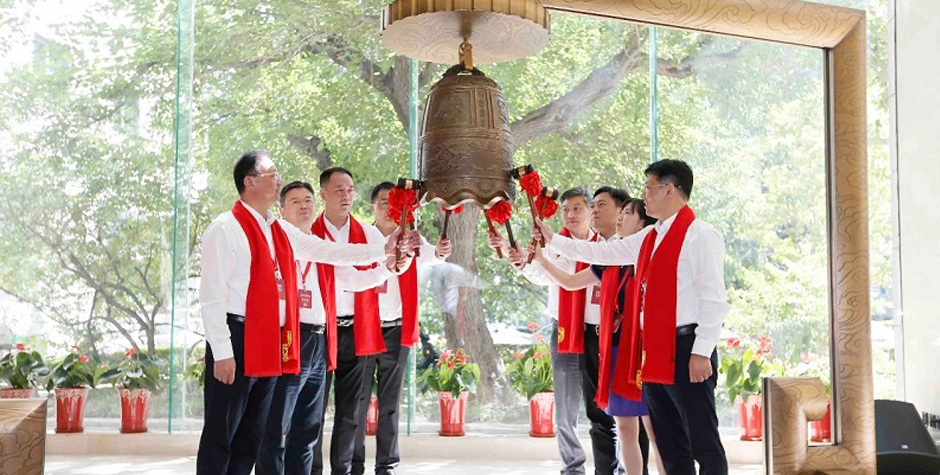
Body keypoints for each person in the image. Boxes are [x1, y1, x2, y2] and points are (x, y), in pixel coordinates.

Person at [197, 150, 415, 475]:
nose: (279, 180)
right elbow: (212, 297)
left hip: (269, 338)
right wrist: (223, 352)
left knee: (250, 436)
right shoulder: (225, 228)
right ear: (250, 181)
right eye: (272, 175)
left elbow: (330, 251)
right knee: (222, 433)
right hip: (237, 335)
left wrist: (384, 248)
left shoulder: (279, 231)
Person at [536, 159, 731, 475]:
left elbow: (714, 299)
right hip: (654, 349)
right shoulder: (651, 236)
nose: (644, 195)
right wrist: (553, 240)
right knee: (670, 443)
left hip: (687, 347)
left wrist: (702, 351)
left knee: (702, 441)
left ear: (669, 189)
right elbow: (603, 254)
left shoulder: (700, 234)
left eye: (649, 188)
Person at [256, 181, 409, 475]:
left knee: (307, 427)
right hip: (290, 338)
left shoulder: (316, 245)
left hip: (319, 339)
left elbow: (352, 280)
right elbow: (338, 253)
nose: (304, 206)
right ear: (282, 210)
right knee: (277, 425)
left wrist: (387, 269)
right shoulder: (282, 237)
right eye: (295, 201)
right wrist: (384, 249)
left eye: (308, 200)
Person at [490, 186, 622, 475]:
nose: (570, 215)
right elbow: (540, 273)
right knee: (565, 408)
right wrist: (520, 261)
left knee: (608, 406)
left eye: (577, 208)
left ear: (590, 210)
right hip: (564, 332)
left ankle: (616, 466)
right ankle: (572, 467)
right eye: (565, 210)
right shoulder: (554, 243)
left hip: (599, 334)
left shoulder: (604, 246)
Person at [532, 198, 665, 475]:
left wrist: (553, 239)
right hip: (615, 351)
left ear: (643, 225)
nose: (620, 217)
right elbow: (571, 282)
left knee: (656, 430)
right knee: (625, 427)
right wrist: (541, 260)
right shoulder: (609, 261)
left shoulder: (652, 255)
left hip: (643, 352)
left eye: (627, 213)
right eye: (621, 211)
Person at [350, 181, 451, 475]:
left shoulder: (411, 238)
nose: (388, 208)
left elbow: (434, 254)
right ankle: (355, 463)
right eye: (382, 202)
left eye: (393, 203)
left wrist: (442, 251)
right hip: (364, 327)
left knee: (390, 402)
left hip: (395, 329)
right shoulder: (360, 237)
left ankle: (387, 464)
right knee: (358, 400)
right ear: (372, 207)